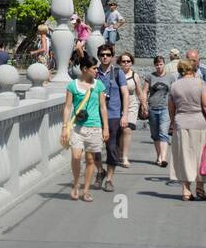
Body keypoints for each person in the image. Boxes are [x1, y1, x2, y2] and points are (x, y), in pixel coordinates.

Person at [168, 58, 206, 201]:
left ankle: (186, 190)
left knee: (184, 156)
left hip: (181, 123)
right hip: (199, 123)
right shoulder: (200, 84)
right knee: (200, 157)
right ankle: (200, 188)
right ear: (192, 69)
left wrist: (172, 122)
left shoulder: (174, 86)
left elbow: (171, 107)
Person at [62, 55, 109, 202]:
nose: (97, 71)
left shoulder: (99, 85)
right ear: (84, 69)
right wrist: (64, 126)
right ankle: (76, 184)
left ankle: (86, 190)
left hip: (95, 127)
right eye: (94, 68)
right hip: (77, 127)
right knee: (76, 156)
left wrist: (105, 127)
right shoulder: (72, 86)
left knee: (90, 160)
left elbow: (103, 107)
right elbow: (67, 107)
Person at [95, 45, 124, 190]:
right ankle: (100, 171)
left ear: (112, 56)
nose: (104, 57)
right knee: (94, 147)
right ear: (98, 56)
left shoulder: (118, 72)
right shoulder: (94, 73)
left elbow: (125, 94)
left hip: (113, 115)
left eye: (107, 54)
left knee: (112, 148)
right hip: (95, 116)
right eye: (102, 54)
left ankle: (109, 180)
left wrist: (125, 115)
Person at [116, 52, 146, 167]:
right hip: (118, 103)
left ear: (131, 62)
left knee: (127, 129)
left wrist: (143, 104)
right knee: (119, 130)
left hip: (132, 104)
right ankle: (119, 152)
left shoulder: (135, 76)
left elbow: (139, 92)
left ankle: (125, 157)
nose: (126, 63)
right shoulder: (116, 74)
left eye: (128, 61)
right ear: (120, 63)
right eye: (123, 61)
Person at [144, 54, 174, 166]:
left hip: (165, 108)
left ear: (164, 64)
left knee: (163, 133)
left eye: (161, 64)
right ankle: (159, 156)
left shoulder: (170, 77)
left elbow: (174, 92)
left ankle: (164, 158)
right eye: (157, 65)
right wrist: (144, 104)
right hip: (153, 108)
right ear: (154, 65)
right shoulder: (150, 76)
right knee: (155, 134)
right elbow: (144, 91)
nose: (159, 67)